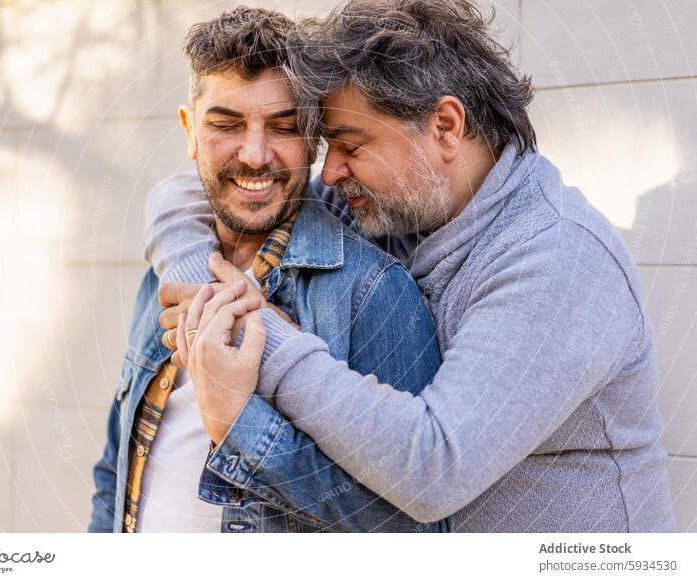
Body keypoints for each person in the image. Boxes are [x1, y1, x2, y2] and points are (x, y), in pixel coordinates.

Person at [150, 0, 675, 532]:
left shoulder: (557, 260)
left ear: (444, 127)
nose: (329, 173)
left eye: (351, 146)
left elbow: (435, 468)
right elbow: (182, 195)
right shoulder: (395, 205)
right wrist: (202, 282)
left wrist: (254, 335)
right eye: (329, 146)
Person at [88, 5, 449, 534]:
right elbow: (113, 470)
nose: (254, 155)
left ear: (312, 141)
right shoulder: (168, 277)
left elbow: (416, 533)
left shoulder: (373, 294)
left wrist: (238, 422)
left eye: (282, 127)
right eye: (226, 124)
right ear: (189, 132)